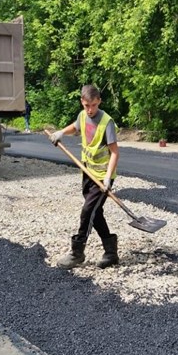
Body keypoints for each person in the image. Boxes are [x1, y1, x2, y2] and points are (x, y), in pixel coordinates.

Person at [48, 85, 120, 269]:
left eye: (94, 105)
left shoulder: (107, 122)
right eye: (87, 105)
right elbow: (76, 126)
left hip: (103, 177)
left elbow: (114, 153)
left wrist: (107, 178)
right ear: (82, 101)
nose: (90, 110)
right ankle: (111, 252)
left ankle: (77, 252)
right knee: (95, 214)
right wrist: (61, 133)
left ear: (99, 102)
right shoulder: (82, 116)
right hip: (88, 172)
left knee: (87, 211)